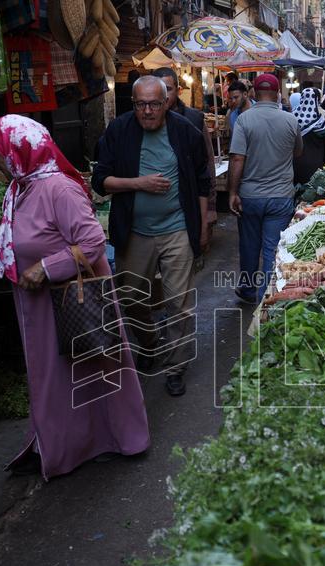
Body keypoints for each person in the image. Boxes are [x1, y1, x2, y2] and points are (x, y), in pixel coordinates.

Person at [0, 115, 150, 479]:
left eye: (0, 150)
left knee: (90, 367)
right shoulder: (22, 186)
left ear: (21, 151)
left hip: (71, 296)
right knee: (54, 374)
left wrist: (44, 268)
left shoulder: (58, 189)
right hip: (39, 302)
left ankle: (112, 438)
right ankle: (59, 443)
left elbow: (92, 242)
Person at [93, 76, 211, 398]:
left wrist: (201, 227)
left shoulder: (185, 132)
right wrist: (138, 184)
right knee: (131, 299)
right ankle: (149, 343)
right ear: (133, 104)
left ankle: (176, 367)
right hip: (134, 232)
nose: (148, 111)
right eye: (141, 104)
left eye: (154, 104)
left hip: (176, 229)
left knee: (179, 304)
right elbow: (100, 181)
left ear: (167, 102)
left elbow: (203, 182)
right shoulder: (119, 131)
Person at [228, 73, 302, 306]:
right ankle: (266, 300)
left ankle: (249, 289)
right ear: (278, 93)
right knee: (272, 249)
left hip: (250, 196)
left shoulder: (244, 120)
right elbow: (297, 151)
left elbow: (237, 158)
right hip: (281, 197)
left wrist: (232, 192)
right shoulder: (290, 119)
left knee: (249, 246)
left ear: (254, 94)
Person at [154, 66, 218, 237]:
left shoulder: (194, 120)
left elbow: (208, 163)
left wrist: (210, 207)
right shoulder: (143, 120)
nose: (163, 95)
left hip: (188, 206)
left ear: (178, 90)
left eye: (168, 89)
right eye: (158, 89)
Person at [292, 87, 325, 186]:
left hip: (296, 164)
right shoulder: (321, 120)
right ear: (316, 100)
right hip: (316, 163)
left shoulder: (292, 117)